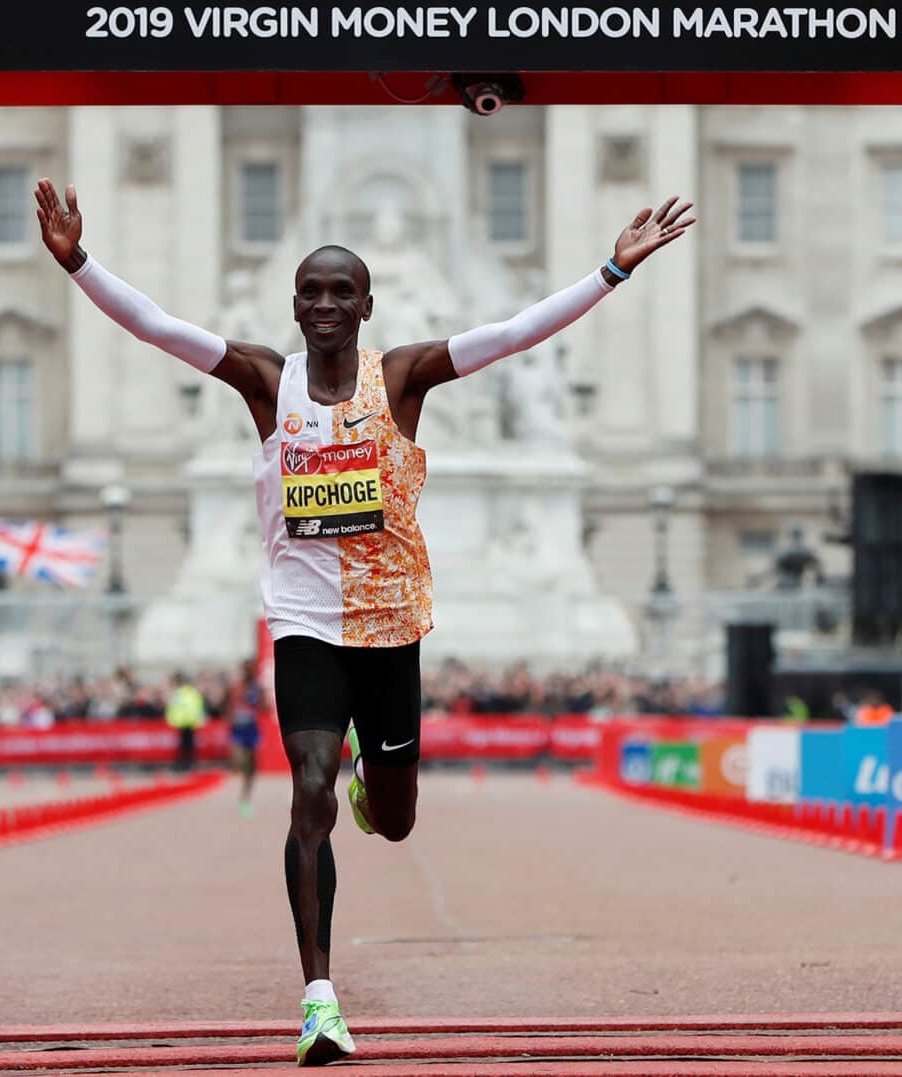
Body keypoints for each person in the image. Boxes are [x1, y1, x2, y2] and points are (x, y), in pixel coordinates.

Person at [36, 176, 692, 1066]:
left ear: (369, 305)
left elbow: (509, 337)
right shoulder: (267, 382)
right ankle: (319, 997)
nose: (325, 303)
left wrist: (611, 270)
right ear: (295, 305)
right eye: (311, 290)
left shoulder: (403, 377)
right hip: (304, 620)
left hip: (390, 625)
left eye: (342, 290)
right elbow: (160, 326)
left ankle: (369, 784)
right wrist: (79, 262)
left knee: (395, 816)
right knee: (307, 789)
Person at [228, 658, 265, 817]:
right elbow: (226, 704)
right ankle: (242, 794)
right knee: (239, 761)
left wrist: (258, 701)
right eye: (247, 668)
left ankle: (246, 797)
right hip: (238, 728)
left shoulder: (257, 687)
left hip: (251, 728)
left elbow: (264, 707)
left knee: (252, 767)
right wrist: (230, 716)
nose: (249, 671)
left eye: (252, 668)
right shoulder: (236, 686)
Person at [166, 672, 206, 771]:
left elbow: (173, 707)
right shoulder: (193, 693)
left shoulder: (179, 693)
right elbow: (199, 707)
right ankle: (188, 763)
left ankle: (185, 763)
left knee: (185, 744)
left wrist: (172, 719)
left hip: (183, 722)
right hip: (189, 722)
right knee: (188, 744)